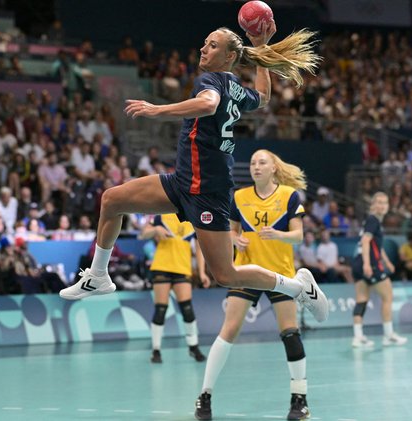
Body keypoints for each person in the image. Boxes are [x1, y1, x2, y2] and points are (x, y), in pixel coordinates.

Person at [59, 24, 328, 325]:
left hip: (207, 192)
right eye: (204, 43)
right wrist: (263, 52)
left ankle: (297, 287)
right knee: (112, 200)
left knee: (226, 274)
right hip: (181, 181)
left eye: (212, 45)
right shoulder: (235, 87)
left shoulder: (210, 81)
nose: (203, 48)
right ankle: (98, 275)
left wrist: (157, 110)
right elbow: (263, 97)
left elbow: (208, 103)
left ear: (228, 57)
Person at [195, 149, 310, 420]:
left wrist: (278, 234)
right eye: (253, 163)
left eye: (262, 163)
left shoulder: (289, 196)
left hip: (279, 274)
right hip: (246, 271)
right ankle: (205, 395)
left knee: (290, 332)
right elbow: (230, 230)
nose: (256, 167)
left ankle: (300, 400)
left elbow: (299, 236)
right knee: (229, 330)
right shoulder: (239, 196)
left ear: (273, 168)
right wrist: (234, 239)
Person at [139, 214, 210, 364]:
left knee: (187, 309)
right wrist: (156, 229)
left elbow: (199, 249)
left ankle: (193, 346)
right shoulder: (161, 217)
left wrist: (202, 272)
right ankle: (156, 350)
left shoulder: (193, 220)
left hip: (182, 268)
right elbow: (143, 234)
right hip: (161, 266)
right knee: (161, 309)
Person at [351, 192, 407, 348]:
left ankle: (358, 337)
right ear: (373, 205)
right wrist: (367, 265)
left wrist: (387, 262)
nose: (382, 205)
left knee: (361, 300)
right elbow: (366, 241)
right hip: (368, 264)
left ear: (388, 206)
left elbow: (377, 245)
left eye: (385, 203)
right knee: (388, 297)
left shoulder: (373, 222)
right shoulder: (373, 220)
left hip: (356, 263)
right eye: (379, 202)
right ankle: (389, 336)